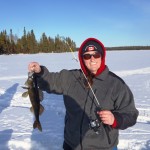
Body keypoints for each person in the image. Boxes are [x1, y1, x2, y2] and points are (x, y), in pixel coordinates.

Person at [28, 38, 139, 150]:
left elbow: (131, 114)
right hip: (71, 145)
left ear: (102, 56)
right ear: (82, 59)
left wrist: (115, 119)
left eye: (96, 55)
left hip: (104, 147)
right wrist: (40, 72)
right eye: (87, 56)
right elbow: (50, 81)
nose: (92, 59)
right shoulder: (70, 77)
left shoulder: (116, 84)